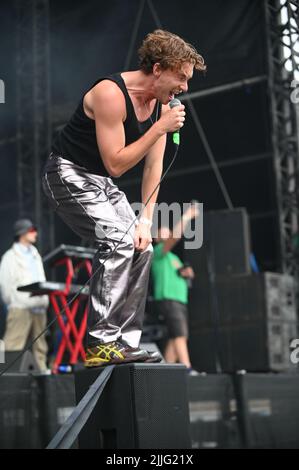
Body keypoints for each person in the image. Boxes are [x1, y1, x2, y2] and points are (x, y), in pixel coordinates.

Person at [42, 30, 206, 367]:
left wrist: (146, 220)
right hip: (66, 174)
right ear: (158, 68)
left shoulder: (160, 107)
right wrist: (159, 129)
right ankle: (100, 342)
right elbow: (116, 163)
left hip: (99, 180)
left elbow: (153, 167)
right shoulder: (109, 94)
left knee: (141, 244)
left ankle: (124, 341)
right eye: (182, 77)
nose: (185, 88)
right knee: (118, 239)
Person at [151, 205, 199, 374]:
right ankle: (187, 368)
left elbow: (184, 274)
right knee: (180, 335)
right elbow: (176, 236)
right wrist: (187, 215)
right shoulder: (158, 252)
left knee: (174, 337)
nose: (167, 232)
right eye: (163, 231)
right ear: (156, 238)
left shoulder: (174, 257)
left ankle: (167, 371)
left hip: (179, 299)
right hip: (168, 298)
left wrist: (188, 274)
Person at [0, 219, 49, 371]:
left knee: (40, 347)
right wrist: (15, 302)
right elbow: (5, 284)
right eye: (31, 230)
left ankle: (43, 378)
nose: (35, 233)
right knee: (12, 345)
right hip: (20, 307)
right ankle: (6, 378)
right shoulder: (10, 256)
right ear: (22, 233)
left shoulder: (35, 254)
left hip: (39, 307)